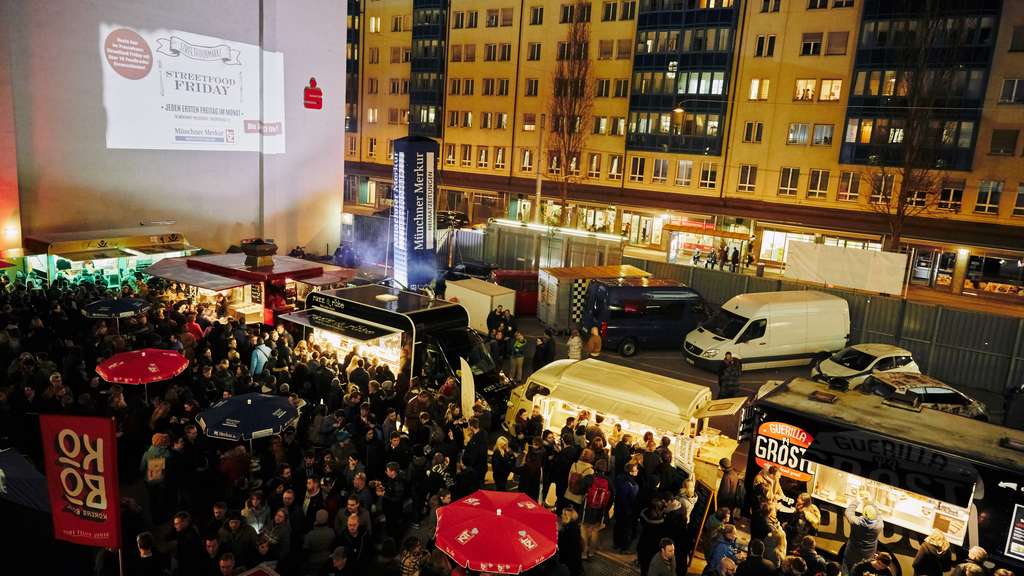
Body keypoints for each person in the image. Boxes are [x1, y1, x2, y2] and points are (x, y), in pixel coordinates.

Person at [842, 493, 884, 574]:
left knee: (847, 570)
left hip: (851, 555)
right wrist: (871, 502)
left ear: (863, 514)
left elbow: (848, 512)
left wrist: (857, 500)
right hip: (868, 557)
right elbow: (878, 514)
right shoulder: (879, 526)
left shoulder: (856, 523)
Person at [580, 459, 613, 559]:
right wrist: (606, 509)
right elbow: (611, 498)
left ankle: (584, 552)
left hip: (587, 508)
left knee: (584, 528)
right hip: (600, 510)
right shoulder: (609, 481)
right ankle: (591, 551)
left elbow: (581, 491)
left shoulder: (589, 478)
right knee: (595, 530)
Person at [613, 462, 640, 553]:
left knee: (618, 525)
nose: (638, 471)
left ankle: (616, 543)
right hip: (627, 510)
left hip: (618, 507)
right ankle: (624, 547)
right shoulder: (633, 484)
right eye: (636, 470)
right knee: (627, 529)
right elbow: (631, 499)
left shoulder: (619, 478)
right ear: (631, 472)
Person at [558, 506, 584, 576]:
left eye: (563, 514)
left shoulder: (565, 530)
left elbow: (562, 546)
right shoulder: (575, 526)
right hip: (576, 559)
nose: (561, 515)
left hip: (569, 562)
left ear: (568, 517)